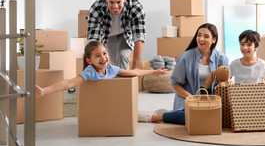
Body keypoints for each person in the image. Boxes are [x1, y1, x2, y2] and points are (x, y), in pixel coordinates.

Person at [138, 23, 229, 123]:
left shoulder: (221, 58)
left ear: (214, 40)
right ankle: (154, 117)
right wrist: (189, 97)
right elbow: (175, 83)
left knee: (219, 118)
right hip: (188, 96)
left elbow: (225, 78)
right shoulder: (186, 57)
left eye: (206, 36)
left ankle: (171, 114)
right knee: (192, 117)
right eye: (199, 35)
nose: (201, 39)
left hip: (211, 98)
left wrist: (228, 82)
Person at [35, 41, 167, 98]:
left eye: (105, 53)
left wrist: (154, 72)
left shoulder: (111, 69)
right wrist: (44, 91)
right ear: (89, 61)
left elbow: (134, 72)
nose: (103, 57)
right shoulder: (90, 72)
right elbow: (68, 83)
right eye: (98, 56)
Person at [87, 0, 145, 70]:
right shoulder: (96, 8)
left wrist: (135, 71)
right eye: (111, 2)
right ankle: (117, 82)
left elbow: (139, 38)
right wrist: (92, 65)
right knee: (114, 65)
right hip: (109, 36)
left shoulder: (135, 7)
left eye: (118, 2)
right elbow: (93, 39)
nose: (115, 6)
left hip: (125, 35)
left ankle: (126, 83)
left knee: (122, 56)